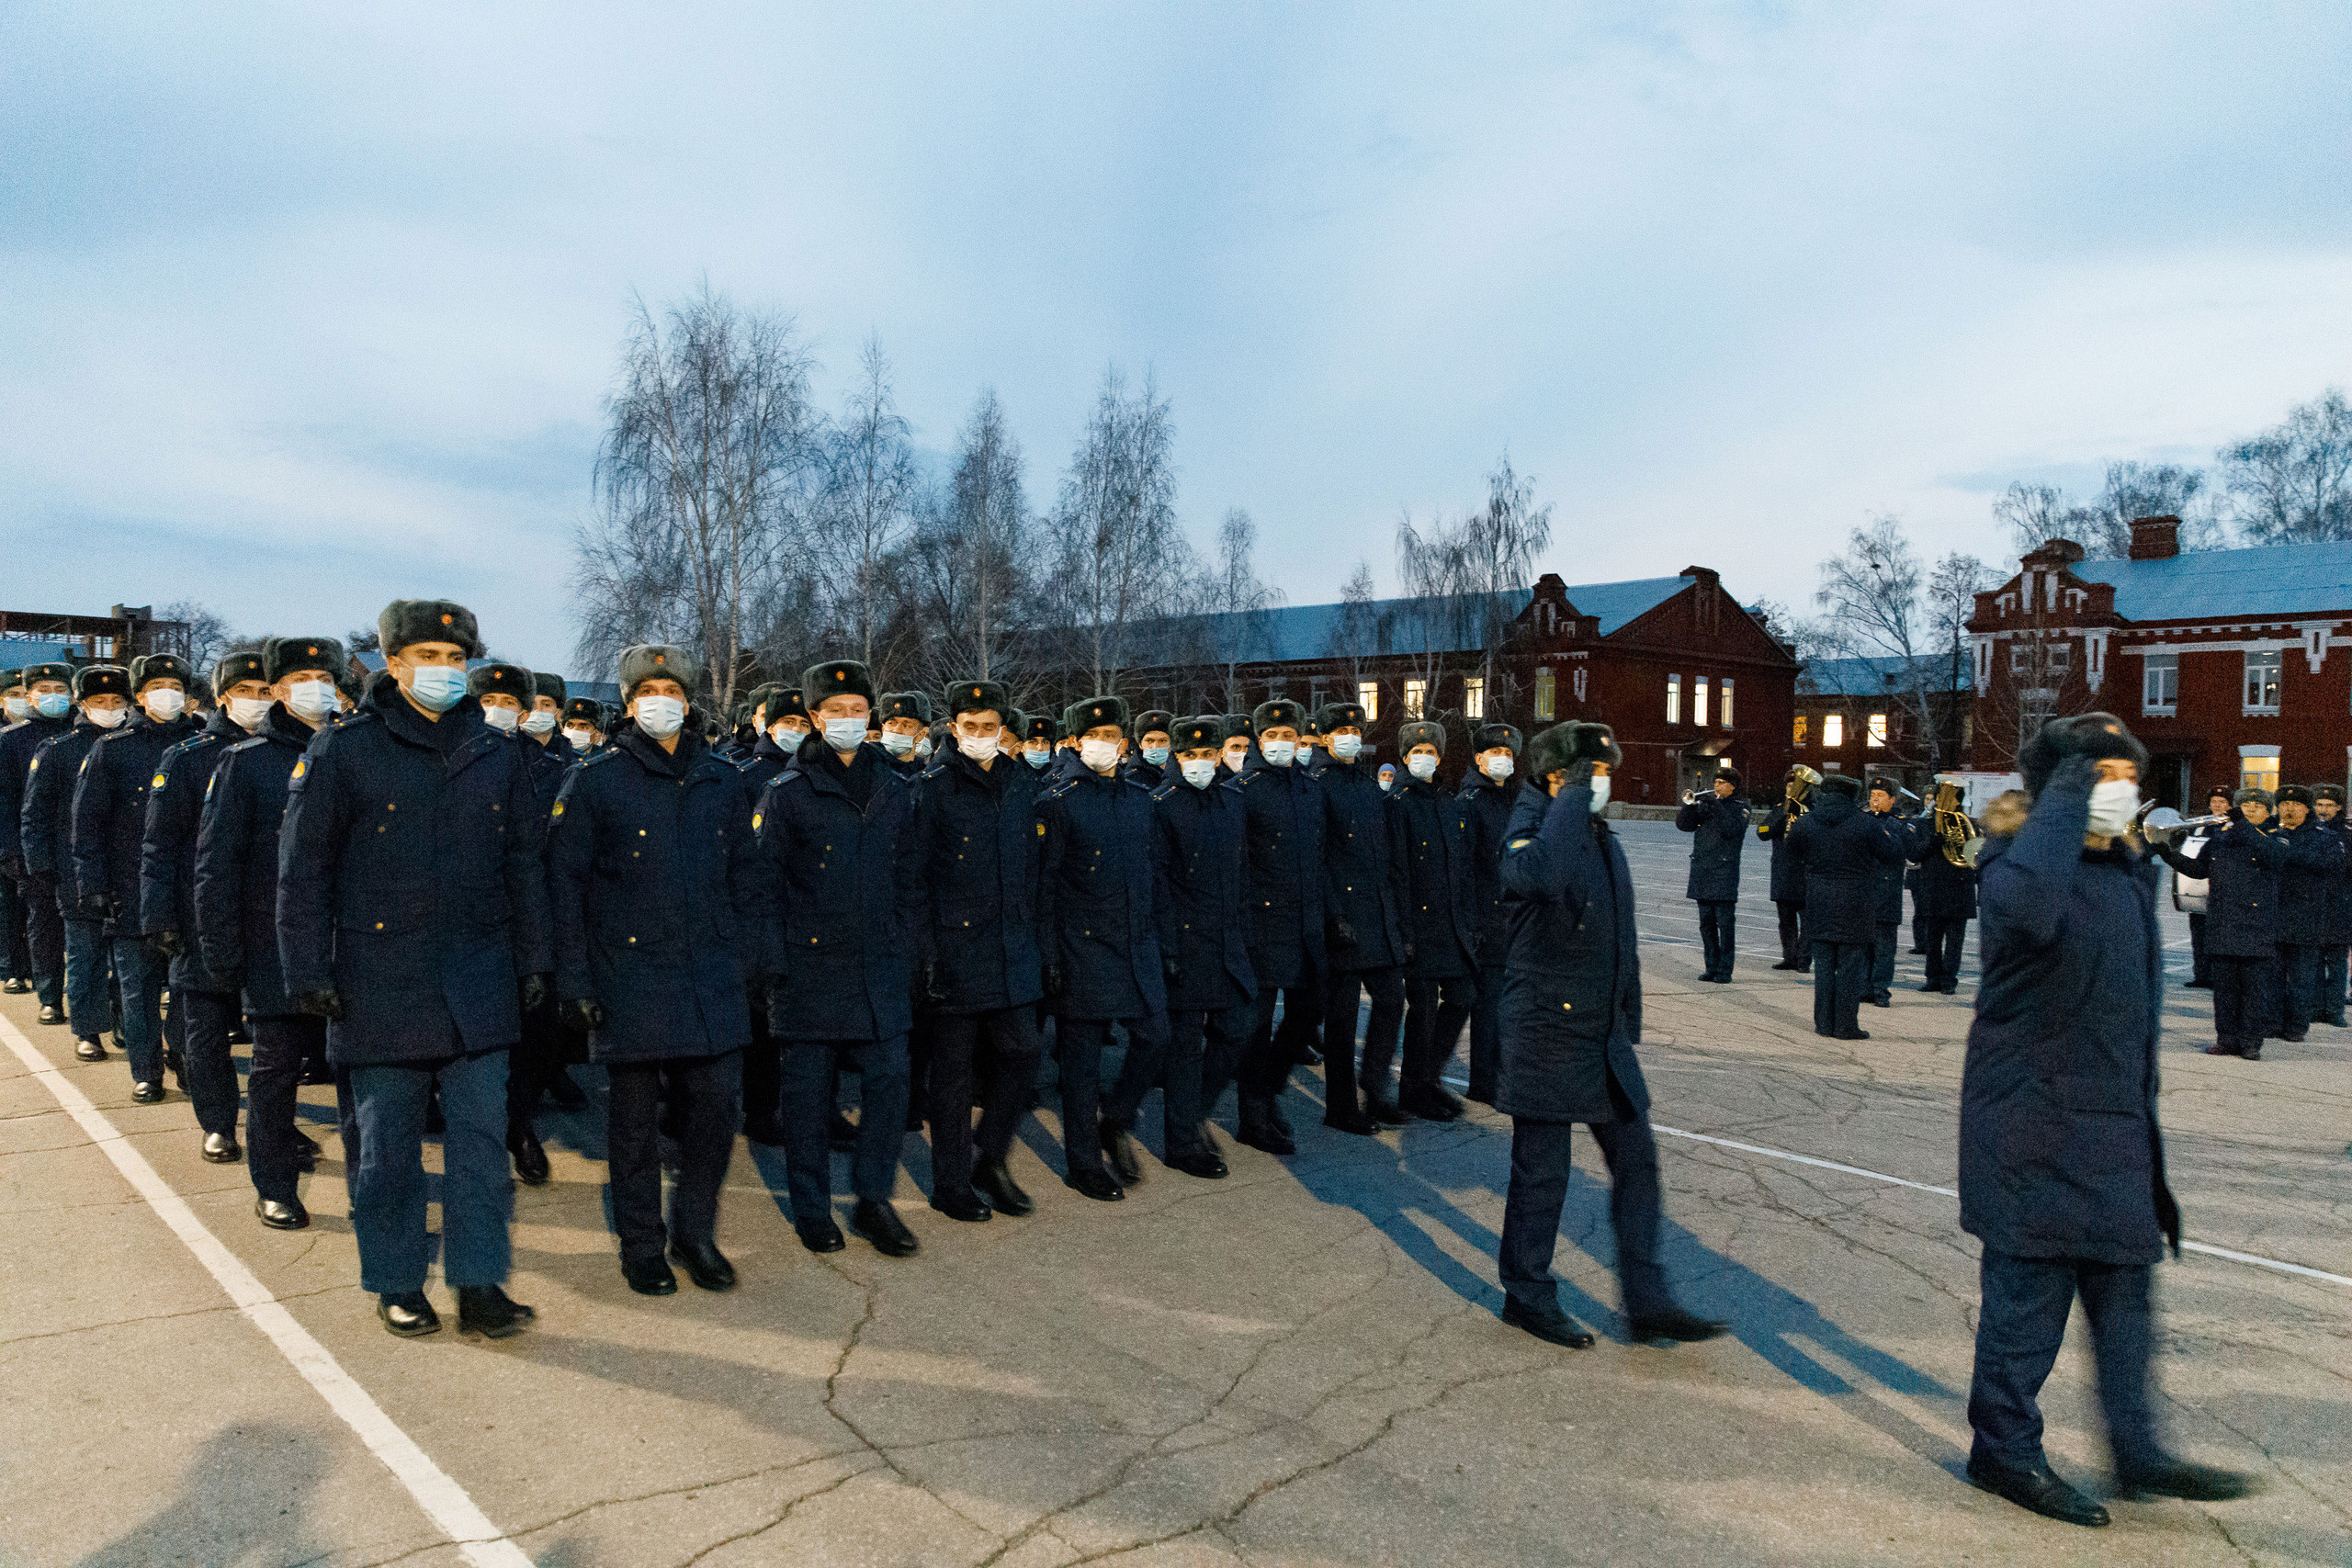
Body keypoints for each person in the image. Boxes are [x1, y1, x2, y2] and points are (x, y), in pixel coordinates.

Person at [1959, 712, 2254, 1525]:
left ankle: (2138, 1450)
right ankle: (2002, 1449)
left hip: (2115, 1126)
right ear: (2064, 786)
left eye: (2130, 776)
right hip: (2031, 1125)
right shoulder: (2014, 865)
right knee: (2026, 1306)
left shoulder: (2126, 871)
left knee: (2126, 1299)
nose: (2126, 790)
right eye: (2105, 776)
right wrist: (2066, 791)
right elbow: (2028, 911)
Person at [277, 599, 548, 1339]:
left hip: (478, 977)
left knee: (481, 1147)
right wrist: (308, 968)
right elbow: (303, 871)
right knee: (389, 1150)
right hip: (379, 978)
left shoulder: (496, 750)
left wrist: (535, 959)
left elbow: (524, 865)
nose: (444, 669)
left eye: (455, 658)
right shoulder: (345, 749)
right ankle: (397, 1280)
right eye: (427, 656)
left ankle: (479, 1282)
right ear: (392, 663)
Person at [1493, 720, 1724, 1350]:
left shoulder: (1597, 834)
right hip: (1545, 1028)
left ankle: (1648, 1303)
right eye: (1592, 773)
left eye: (1603, 773)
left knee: (1637, 1162)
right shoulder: (1527, 830)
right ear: (1557, 777)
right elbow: (1540, 875)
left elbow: (1620, 932)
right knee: (1543, 1175)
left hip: (1600, 1034)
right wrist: (1571, 797)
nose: (1602, 783)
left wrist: (1628, 1016)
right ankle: (1526, 1294)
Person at [547, 645, 759, 1296]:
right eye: (647, 691)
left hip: (710, 975)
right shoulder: (596, 779)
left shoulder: (722, 777)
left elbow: (746, 877)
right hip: (630, 976)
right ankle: (642, 1243)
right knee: (634, 1124)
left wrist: (751, 961)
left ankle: (695, 1232)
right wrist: (575, 982)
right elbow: (566, 887)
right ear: (628, 702)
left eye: (671, 691)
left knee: (715, 1111)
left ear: (688, 702)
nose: (660, 701)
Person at [752, 658, 923, 1258]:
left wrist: (908, 948)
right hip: (809, 970)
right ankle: (812, 1207)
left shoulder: (894, 788)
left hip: (879, 966)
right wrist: (772, 968)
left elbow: (910, 879)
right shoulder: (788, 792)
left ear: (869, 714)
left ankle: (874, 1199)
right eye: (835, 710)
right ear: (815, 717)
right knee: (807, 1097)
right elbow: (763, 889)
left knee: (890, 1083)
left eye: (858, 709)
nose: (848, 718)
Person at [196, 636, 348, 1229]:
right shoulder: (246, 762)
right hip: (273, 946)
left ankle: (373, 1189)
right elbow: (216, 867)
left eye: (326, 678)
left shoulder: (355, 752)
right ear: (280, 689)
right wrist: (222, 952)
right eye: (302, 679)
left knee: (356, 1073)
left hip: (350, 946)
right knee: (275, 1070)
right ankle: (275, 1183)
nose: (317, 688)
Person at [907, 679, 1049, 1220]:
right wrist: (926, 955)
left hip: (1011, 947)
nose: (982, 734)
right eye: (971, 726)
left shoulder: (1020, 781)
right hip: (954, 951)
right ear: (953, 727)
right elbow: (914, 881)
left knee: (1024, 1053)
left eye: (991, 726)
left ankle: (990, 1157)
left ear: (1003, 728)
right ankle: (950, 1184)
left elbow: (1031, 867)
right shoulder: (932, 786)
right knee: (953, 1074)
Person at [141, 649, 274, 1165]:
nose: (257, 701)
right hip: (201, 912)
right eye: (245, 691)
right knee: (207, 1028)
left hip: (267, 914)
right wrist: (160, 916)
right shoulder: (188, 757)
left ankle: (276, 1128)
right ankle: (218, 1123)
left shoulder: (298, 752)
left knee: (276, 1038)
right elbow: (159, 846)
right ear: (221, 697)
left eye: (265, 691)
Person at [1037, 695, 1169, 1199]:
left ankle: (1115, 1119)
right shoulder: (1058, 800)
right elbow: (1045, 887)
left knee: (1156, 1036)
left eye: (1111, 736)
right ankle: (1084, 1163)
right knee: (1081, 1066)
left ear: (1124, 742)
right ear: (1074, 742)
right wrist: (1051, 955)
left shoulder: (1139, 798)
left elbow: (1153, 872)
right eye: (1092, 736)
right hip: (1082, 947)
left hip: (1136, 943)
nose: (1102, 744)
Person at [72, 653, 199, 1099]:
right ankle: (147, 1071)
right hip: (130, 889)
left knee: (188, 989)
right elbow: (87, 825)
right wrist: (92, 885)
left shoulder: (203, 744)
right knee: (138, 989)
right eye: (157, 687)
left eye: (176, 687)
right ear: (140, 697)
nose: (168, 695)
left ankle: (184, 1056)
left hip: (189, 889)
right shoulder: (112, 749)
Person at [1150, 716, 1251, 1178]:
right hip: (1185, 942)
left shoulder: (1233, 801)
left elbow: (1242, 871)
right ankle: (1182, 1143)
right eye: (1189, 755)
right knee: (1186, 1047)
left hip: (1227, 939)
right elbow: (1158, 884)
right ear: (1177, 757)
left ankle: (1193, 1114)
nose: (1199, 763)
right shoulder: (1162, 805)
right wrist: (1168, 949)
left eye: (1207, 754)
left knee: (1238, 1029)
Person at [1226, 698, 1326, 1154]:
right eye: (1272, 735)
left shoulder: (1309, 787)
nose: (1281, 742)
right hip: (1261, 925)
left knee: (1309, 1013)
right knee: (1256, 1027)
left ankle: (1267, 1091)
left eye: (1289, 735)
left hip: (1305, 924)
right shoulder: (1242, 790)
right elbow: (1235, 865)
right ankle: (1253, 1116)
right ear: (1258, 739)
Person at [27, 664, 132, 1073]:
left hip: (128, 870)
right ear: (82, 704)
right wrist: (41, 868)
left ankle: (125, 1022)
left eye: (116, 700)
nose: (109, 707)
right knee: (85, 955)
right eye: (99, 701)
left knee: (129, 959)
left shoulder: (137, 745)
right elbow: (35, 814)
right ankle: (87, 1031)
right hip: (76, 869)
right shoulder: (58, 749)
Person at [1314, 700, 1408, 1132]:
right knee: (1342, 1018)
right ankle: (1341, 1107)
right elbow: (1317, 859)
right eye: (1341, 731)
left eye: (1355, 730)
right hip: (1343, 919)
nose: (1350, 736)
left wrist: (1396, 917)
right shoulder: (1318, 785)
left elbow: (1386, 856)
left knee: (1391, 1001)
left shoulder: (1369, 787)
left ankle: (1374, 1086)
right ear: (1324, 736)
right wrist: (1334, 915)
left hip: (1378, 915)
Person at [1387, 718, 1473, 1122]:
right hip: (1418, 926)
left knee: (1463, 996)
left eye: (1431, 752)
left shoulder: (1446, 800)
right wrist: (1404, 932)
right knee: (1422, 1011)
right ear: (1404, 757)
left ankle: (1430, 1077)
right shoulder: (1398, 802)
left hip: (1449, 924)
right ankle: (1413, 1090)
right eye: (1417, 752)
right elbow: (1397, 874)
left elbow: (1459, 867)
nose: (1425, 758)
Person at [2160, 789, 2285, 1059]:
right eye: (2245, 806)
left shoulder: (2276, 836)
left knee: (2253, 992)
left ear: (2268, 811)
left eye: (2257, 806)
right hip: (2223, 922)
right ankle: (2226, 1040)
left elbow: (2273, 855)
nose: (2250, 810)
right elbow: (2198, 869)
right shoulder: (2220, 837)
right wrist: (2167, 853)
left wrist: (2241, 825)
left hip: (2256, 925)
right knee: (2224, 992)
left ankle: (2251, 1043)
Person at [733, 682, 805, 1146]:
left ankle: (810, 1107)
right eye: (786, 723)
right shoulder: (748, 775)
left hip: (807, 912)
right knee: (762, 1020)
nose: (795, 731)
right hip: (761, 911)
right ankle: (760, 1109)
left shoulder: (816, 772)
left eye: (802, 723)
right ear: (767, 726)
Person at [1787, 774, 1901, 1041]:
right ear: (1852, 795)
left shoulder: (1806, 822)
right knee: (1851, 967)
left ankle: (1824, 1023)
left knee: (1824, 966)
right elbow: (1891, 855)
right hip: (1856, 903)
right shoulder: (1866, 823)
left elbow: (1791, 852)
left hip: (1819, 900)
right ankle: (1845, 1025)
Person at [1, 661, 75, 1024]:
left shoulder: (86, 733)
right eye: (43, 690)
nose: (52, 696)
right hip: (35, 849)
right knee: (44, 925)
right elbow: (4, 803)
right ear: (29, 696)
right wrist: (11, 851)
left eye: (60, 690)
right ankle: (50, 997)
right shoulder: (11, 739)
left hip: (80, 849)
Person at [1458, 723, 1522, 1102]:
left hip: (1515, 921)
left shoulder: (1514, 800)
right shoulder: (1470, 802)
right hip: (1487, 921)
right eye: (1495, 753)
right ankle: (1483, 1082)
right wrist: (1471, 923)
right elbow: (1463, 870)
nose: (1503, 759)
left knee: (1508, 1008)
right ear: (1479, 758)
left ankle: (1501, 1074)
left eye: (1508, 753)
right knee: (1488, 1008)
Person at [2266, 784, 2343, 1044]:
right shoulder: (2269, 832)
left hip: (2306, 919)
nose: (2289, 809)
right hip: (2274, 916)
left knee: (2302, 979)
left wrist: (2288, 851)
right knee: (2273, 977)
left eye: (2296, 805)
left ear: (2306, 808)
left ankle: (2296, 1026)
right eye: (2284, 804)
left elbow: (2331, 864)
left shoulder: (2323, 836)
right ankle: (2273, 1023)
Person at [1674, 766, 1747, 983]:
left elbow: (1732, 830)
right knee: (1706, 925)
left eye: (1721, 783)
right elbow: (1684, 826)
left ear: (1732, 786)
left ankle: (1725, 970)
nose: (1716, 786)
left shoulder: (1740, 806)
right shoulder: (1708, 804)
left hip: (1724, 871)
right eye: (1715, 782)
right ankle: (1711, 967)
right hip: (1702, 870)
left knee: (1725, 925)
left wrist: (1716, 806)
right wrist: (1690, 806)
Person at [1913, 775, 1981, 995]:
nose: (1944, 801)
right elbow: (1915, 854)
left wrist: (1964, 845)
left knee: (1954, 941)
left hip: (1959, 888)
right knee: (1932, 939)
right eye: (1941, 796)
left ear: (1958, 800)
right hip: (1934, 888)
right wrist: (1934, 841)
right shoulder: (1925, 824)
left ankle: (1949, 980)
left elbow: (1974, 858)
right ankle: (1932, 978)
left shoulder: (1969, 824)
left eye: (1950, 797)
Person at [1755, 766, 1819, 973]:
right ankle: (1789, 957)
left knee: (1808, 921)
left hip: (1805, 873)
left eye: (1795, 786)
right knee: (1786, 920)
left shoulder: (1813, 810)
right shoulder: (1780, 808)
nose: (1791, 789)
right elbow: (1762, 832)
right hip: (1783, 873)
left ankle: (1803, 959)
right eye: (1789, 786)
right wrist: (1781, 819)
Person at [1863, 778, 1915, 1008]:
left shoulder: (1900, 823)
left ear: (1892, 800)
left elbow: (1901, 851)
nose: (1874, 799)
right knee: (1863, 944)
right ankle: (1864, 987)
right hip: (1864, 892)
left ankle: (1880, 989)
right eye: (1872, 794)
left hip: (1887, 893)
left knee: (1884, 947)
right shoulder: (1863, 818)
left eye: (1880, 795)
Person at [2177, 785, 2234, 989]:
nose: (2217, 805)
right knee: (2198, 932)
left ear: (2230, 805)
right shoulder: (2200, 826)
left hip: (2221, 888)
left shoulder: (2233, 826)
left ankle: (2216, 976)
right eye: (2214, 802)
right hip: (2197, 887)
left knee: (2217, 935)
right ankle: (2201, 975)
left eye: (2222, 802)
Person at [2313, 784, 2350, 1027]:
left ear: (2338, 807)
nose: (2323, 809)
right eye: (2319, 804)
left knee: (2337, 963)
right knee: (2314, 962)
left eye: (2328, 805)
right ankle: (2316, 1008)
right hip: (2314, 907)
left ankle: (2335, 1010)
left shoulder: (2347, 835)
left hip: (2340, 908)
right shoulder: (2310, 831)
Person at [1125, 710, 1176, 791]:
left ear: (1171, 743)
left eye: (1162, 741)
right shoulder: (1128, 780)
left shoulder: (1181, 776)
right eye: (1149, 741)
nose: (1155, 747)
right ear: (1140, 744)